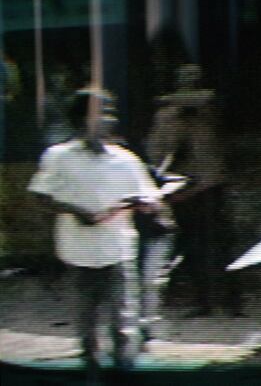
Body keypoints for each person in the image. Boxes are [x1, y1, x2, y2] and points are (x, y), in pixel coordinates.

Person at [28, 89, 162, 382]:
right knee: (86, 324)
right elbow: (40, 195)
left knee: (124, 321)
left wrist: (144, 204)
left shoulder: (125, 160)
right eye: (100, 112)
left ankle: (124, 374)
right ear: (80, 118)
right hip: (78, 253)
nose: (108, 119)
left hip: (118, 250)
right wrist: (76, 210)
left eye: (110, 112)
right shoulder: (58, 156)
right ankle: (91, 374)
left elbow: (151, 197)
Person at [146, 63, 241, 317]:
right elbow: (157, 150)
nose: (190, 80)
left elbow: (203, 99)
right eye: (184, 76)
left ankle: (231, 300)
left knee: (221, 244)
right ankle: (203, 301)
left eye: (194, 76)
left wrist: (170, 101)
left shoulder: (208, 107)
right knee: (192, 247)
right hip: (182, 187)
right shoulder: (166, 116)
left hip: (211, 184)